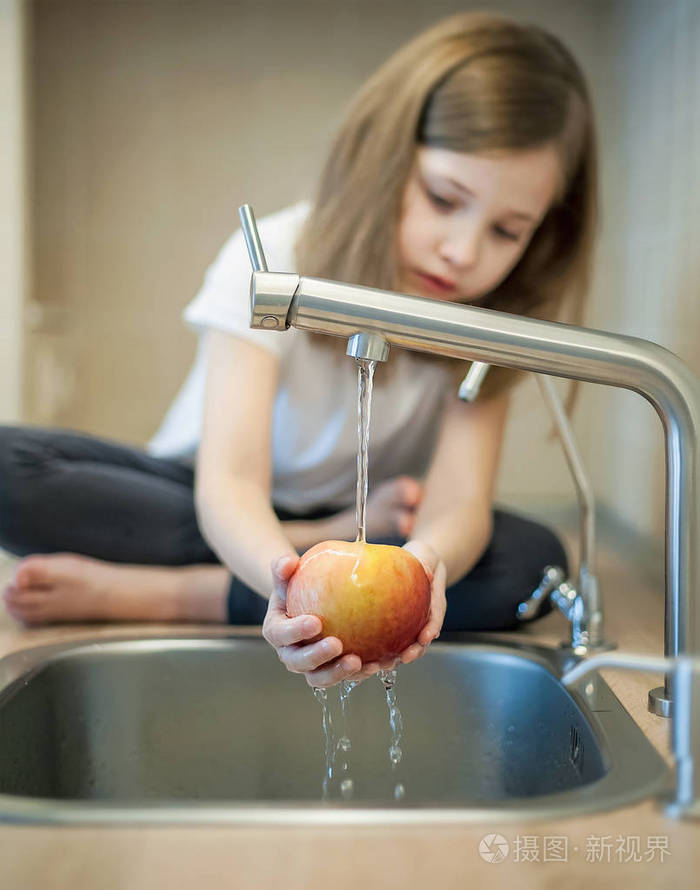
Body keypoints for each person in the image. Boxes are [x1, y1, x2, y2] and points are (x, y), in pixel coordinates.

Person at [0, 12, 596, 688]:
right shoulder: (276, 256)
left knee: (530, 563)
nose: (462, 251)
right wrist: (284, 571)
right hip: (207, 504)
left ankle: (181, 595)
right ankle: (300, 549)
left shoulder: (494, 315)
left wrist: (426, 563)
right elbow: (229, 485)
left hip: (365, 540)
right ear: (386, 156)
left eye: (507, 231)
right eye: (442, 198)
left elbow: (458, 504)